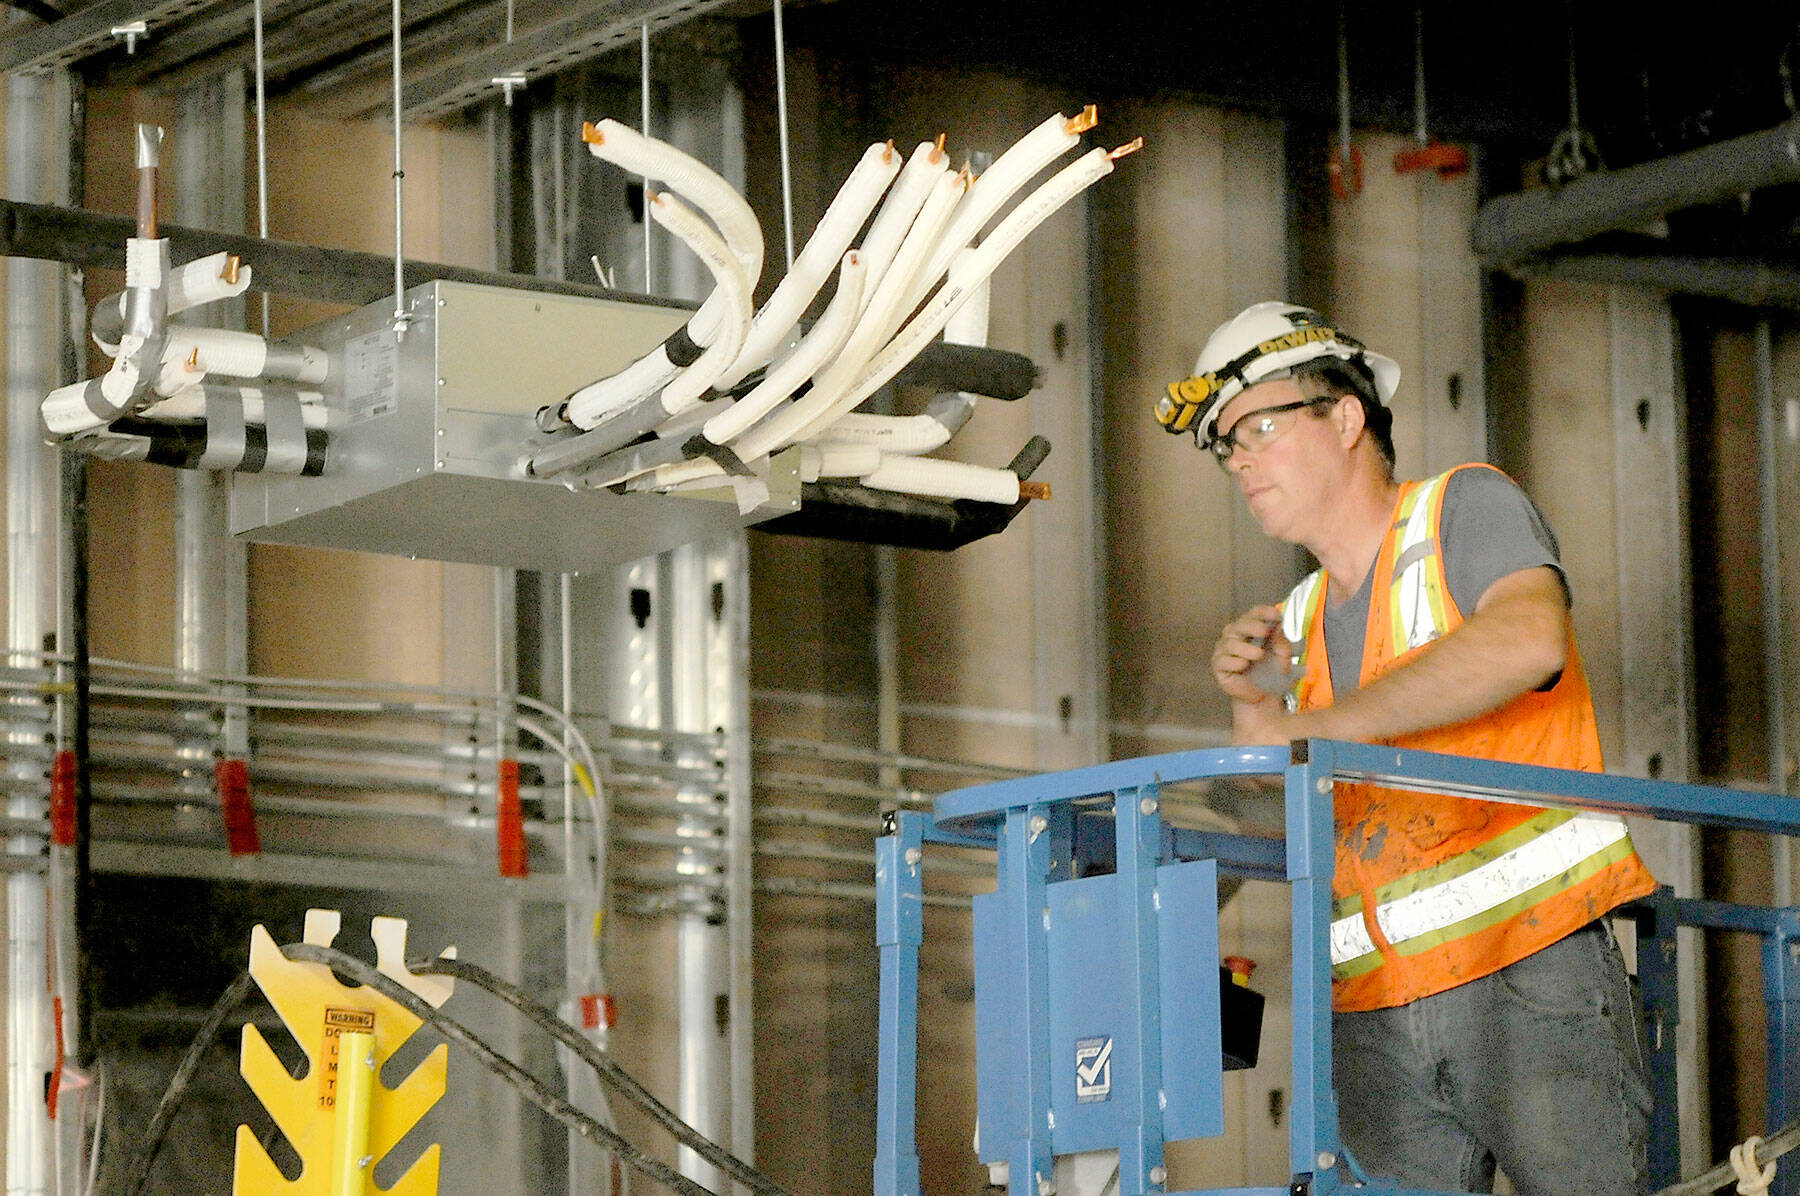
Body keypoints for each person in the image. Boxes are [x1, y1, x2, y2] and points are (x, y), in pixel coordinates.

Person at [1155, 302, 1659, 1196]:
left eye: (1258, 428)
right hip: (1373, 1005)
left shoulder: (1463, 507)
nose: (1239, 460)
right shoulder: (1299, 616)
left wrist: (1313, 727)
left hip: (1526, 961)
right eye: (1226, 446)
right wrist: (1254, 714)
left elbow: (1530, 638)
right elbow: (1285, 809)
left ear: (1346, 417)